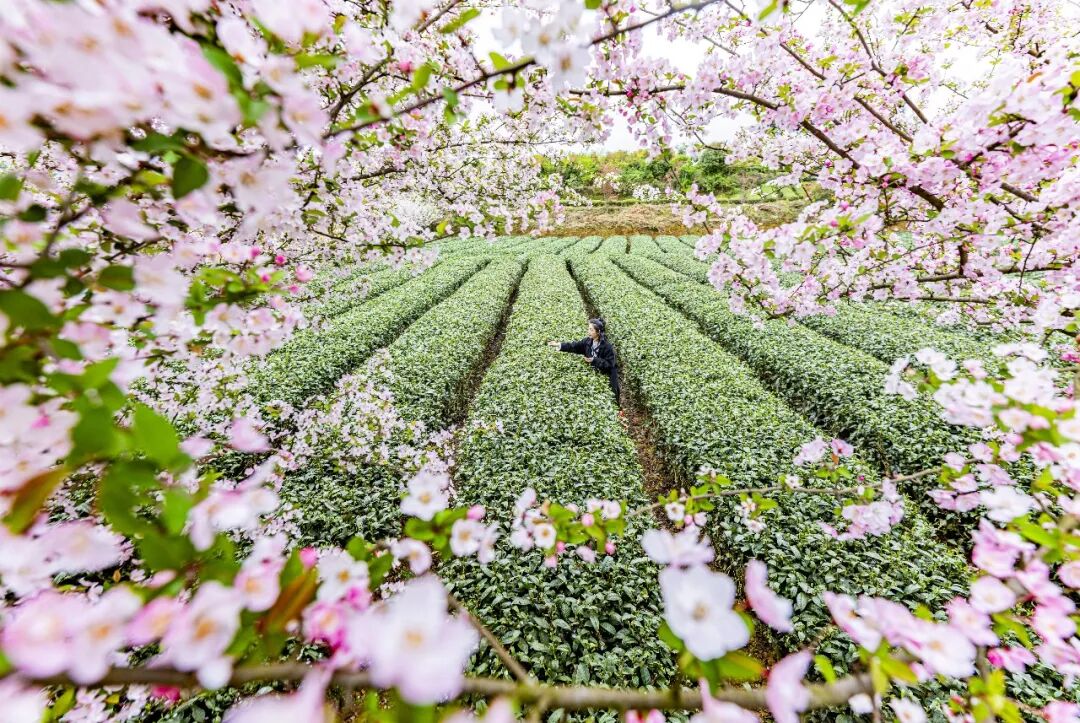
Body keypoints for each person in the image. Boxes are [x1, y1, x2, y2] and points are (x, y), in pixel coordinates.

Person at [547, 318, 621, 403]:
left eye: (591, 330)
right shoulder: (587, 341)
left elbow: (610, 364)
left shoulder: (607, 347)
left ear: (598, 332)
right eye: (588, 329)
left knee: (613, 396)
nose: (588, 332)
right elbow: (573, 346)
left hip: (608, 374)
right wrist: (558, 344)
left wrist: (594, 360)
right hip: (595, 371)